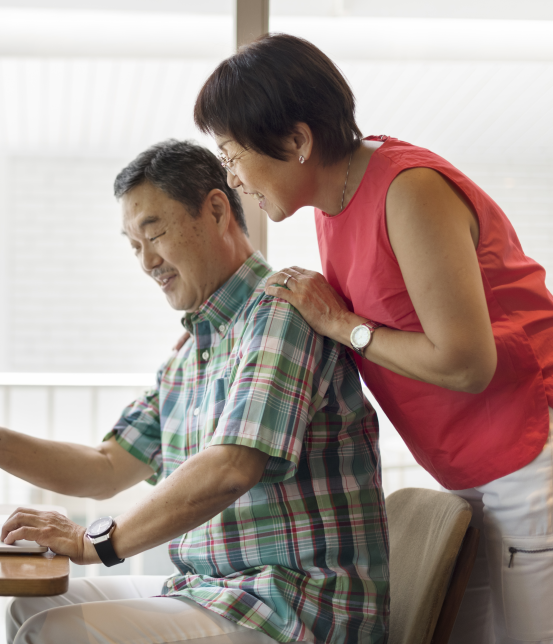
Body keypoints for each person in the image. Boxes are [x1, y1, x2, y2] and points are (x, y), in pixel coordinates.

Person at [0, 140, 389, 644]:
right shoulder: (195, 348)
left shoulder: (280, 311)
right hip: (215, 592)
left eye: (155, 234)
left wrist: (94, 543)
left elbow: (231, 467)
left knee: (55, 632)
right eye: (134, 245)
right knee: (32, 608)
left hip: (293, 611)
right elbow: (107, 466)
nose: (147, 261)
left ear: (217, 210)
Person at [193, 33, 553, 644]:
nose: (231, 178)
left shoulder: (408, 190)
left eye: (231, 154)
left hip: (529, 449)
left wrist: (344, 326)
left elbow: (466, 364)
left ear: (298, 141)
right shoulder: (332, 204)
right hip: (470, 464)